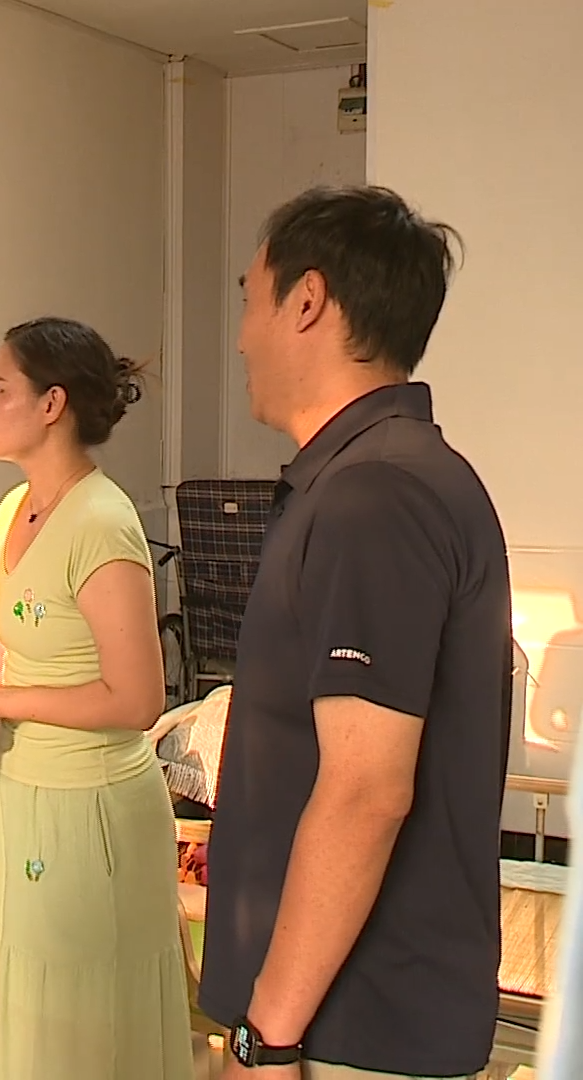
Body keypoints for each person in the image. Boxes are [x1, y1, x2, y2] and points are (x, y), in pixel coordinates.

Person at [200, 185, 508, 1080]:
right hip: (344, 1015)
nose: (242, 338)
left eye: (250, 301)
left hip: (354, 1029)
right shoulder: (374, 477)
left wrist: (269, 1035)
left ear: (307, 300)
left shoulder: (376, 496)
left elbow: (366, 791)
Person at [0, 316, 192, 1080]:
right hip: (19, 795)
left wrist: (4, 704)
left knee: (83, 1024)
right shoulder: (14, 510)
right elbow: (6, 639)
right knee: (17, 999)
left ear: (52, 404)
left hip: (90, 811)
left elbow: (137, 699)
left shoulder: (102, 523)